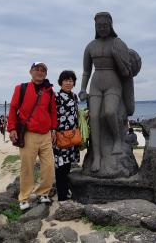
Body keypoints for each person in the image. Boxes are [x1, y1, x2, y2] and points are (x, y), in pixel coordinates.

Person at [79, 12, 139, 173]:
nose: (102, 28)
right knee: (93, 117)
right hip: (96, 82)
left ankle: (117, 140)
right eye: (99, 26)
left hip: (113, 83)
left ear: (111, 26)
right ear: (95, 27)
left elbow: (127, 71)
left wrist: (118, 56)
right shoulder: (90, 46)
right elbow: (86, 71)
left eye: (105, 25)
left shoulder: (118, 43)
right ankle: (97, 156)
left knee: (110, 112)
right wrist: (83, 88)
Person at [7, 62, 57, 210]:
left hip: (46, 134)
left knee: (48, 166)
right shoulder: (20, 88)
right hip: (28, 134)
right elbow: (13, 108)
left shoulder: (49, 91)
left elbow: (53, 112)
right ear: (31, 71)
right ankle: (24, 197)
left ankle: (43, 193)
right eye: (37, 69)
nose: (40, 72)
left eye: (43, 70)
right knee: (27, 167)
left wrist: (54, 129)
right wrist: (11, 129)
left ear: (46, 74)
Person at [54, 70, 80, 201]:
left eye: (71, 80)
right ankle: (62, 195)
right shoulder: (56, 97)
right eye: (66, 80)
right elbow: (52, 115)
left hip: (72, 136)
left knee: (68, 165)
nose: (69, 83)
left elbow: (76, 114)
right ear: (61, 82)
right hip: (60, 137)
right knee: (60, 167)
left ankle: (66, 190)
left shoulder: (75, 97)